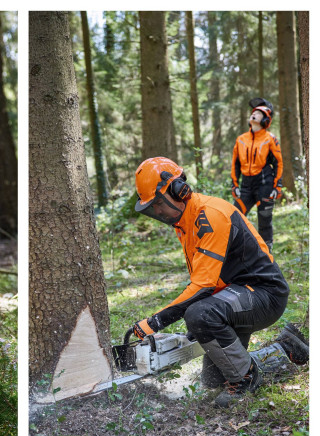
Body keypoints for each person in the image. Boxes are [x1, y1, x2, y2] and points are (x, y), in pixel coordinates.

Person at [130, 157, 305, 408]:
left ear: (179, 190)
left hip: (264, 294)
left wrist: (155, 321)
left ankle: (246, 379)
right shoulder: (185, 221)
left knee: (200, 314)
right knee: (213, 380)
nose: (157, 211)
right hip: (237, 295)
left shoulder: (209, 216)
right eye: (152, 206)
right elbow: (212, 278)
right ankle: (285, 347)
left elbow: (204, 286)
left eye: (158, 202)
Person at [231, 98, 283, 251]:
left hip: (265, 184)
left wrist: (277, 186)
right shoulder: (241, 140)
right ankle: (236, 250)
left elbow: (278, 163)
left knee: (265, 220)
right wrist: (234, 185)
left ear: (266, 119)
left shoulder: (270, 139)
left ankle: (267, 253)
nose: (254, 115)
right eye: (254, 112)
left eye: (259, 113)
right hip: (246, 186)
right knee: (235, 216)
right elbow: (235, 164)